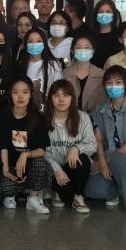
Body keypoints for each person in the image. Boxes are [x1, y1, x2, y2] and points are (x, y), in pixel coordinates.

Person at [85, 66, 126, 216]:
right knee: (93, 190)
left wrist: (108, 160)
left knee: (119, 159)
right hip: (107, 159)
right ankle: (117, 190)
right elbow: (98, 140)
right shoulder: (99, 111)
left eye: (118, 82)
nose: (113, 86)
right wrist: (102, 161)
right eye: (109, 83)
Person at [0, 77, 52, 214]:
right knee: (6, 187)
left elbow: (42, 150)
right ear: (10, 94)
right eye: (16, 92)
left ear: (31, 94)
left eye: (25, 92)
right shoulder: (2, 115)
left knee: (41, 163)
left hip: (29, 166)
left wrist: (26, 154)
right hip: (10, 165)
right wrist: (6, 169)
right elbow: (2, 145)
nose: (20, 96)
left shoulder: (38, 117)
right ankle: (11, 196)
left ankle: (32, 198)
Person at [44, 80, 96, 213]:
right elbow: (42, 150)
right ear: (50, 99)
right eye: (56, 95)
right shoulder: (44, 120)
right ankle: (58, 191)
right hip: (54, 169)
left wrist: (76, 148)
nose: (61, 100)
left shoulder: (83, 117)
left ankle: (78, 196)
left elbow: (92, 144)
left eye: (66, 95)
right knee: (66, 196)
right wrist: (56, 169)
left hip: (75, 167)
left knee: (81, 158)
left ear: (72, 98)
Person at [18, 26, 63, 105]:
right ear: (25, 44)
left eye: (39, 41)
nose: (34, 44)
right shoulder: (20, 66)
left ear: (44, 44)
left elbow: (58, 91)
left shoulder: (54, 66)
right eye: (30, 41)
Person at [63, 35, 106, 112]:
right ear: (72, 51)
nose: (83, 50)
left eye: (87, 47)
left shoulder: (102, 75)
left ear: (93, 50)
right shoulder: (63, 74)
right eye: (79, 48)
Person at [89, 0, 122, 68]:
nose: (104, 14)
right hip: (95, 73)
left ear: (113, 15)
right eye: (101, 12)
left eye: (108, 12)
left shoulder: (119, 35)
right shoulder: (89, 37)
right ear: (96, 15)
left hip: (116, 73)